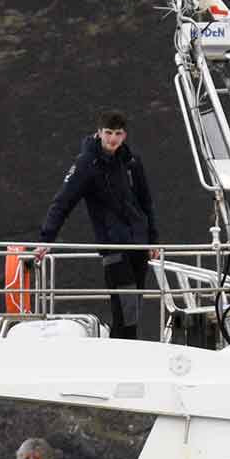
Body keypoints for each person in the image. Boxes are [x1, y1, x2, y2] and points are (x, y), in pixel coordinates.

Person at [37, 110, 162, 339]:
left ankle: (125, 354)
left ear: (124, 135)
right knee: (125, 308)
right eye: (108, 133)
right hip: (114, 246)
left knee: (133, 307)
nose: (112, 138)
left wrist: (153, 240)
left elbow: (146, 202)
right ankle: (121, 356)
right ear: (99, 132)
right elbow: (63, 202)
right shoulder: (87, 163)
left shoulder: (132, 160)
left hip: (139, 245)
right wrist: (46, 240)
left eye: (117, 133)